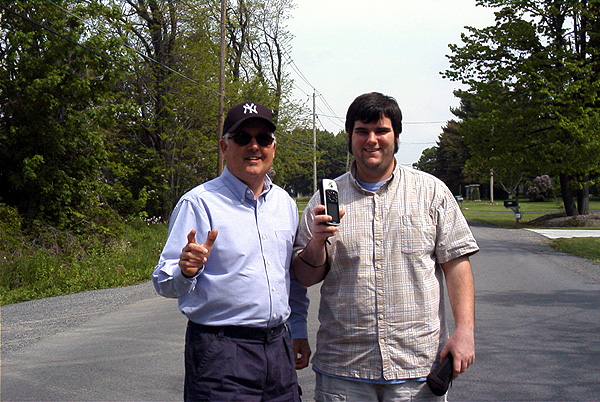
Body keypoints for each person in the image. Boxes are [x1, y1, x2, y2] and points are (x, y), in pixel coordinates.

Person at [292, 92, 479, 402]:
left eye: (381, 131)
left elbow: (457, 265)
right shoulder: (323, 200)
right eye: (362, 131)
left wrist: (465, 332)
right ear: (350, 136)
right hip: (344, 371)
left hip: (416, 370)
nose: (372, 140)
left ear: (396, 136)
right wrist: (316, 241)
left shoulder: (432, 193)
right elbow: (305, 277)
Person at [153, 101, 310, 402]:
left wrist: (299, 328)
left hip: (279, 347)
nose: (254, 146)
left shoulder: (285, 205)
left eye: (263, 139)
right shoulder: (199, 203)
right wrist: (186, 270)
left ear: (273, 148)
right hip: (221, 351)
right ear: (224, 147)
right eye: (242, 138)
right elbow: (163, 280)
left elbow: (292, 279)